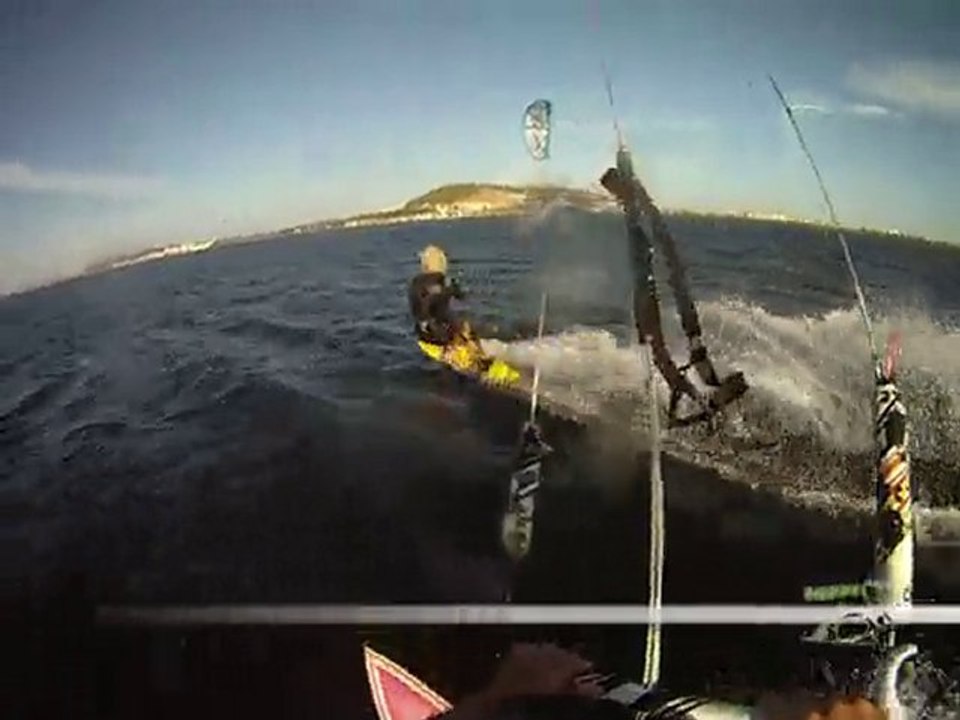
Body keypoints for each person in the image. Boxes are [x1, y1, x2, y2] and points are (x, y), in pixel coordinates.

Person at [409, 244, 490, 373]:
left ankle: (462, 352)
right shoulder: (443, 281)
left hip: (423, 334)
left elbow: (424, 310)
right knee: (466, 326)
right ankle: (479, 359)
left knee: (448, 319)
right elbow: (460, 296)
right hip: (441, 335)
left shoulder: (415, 283)